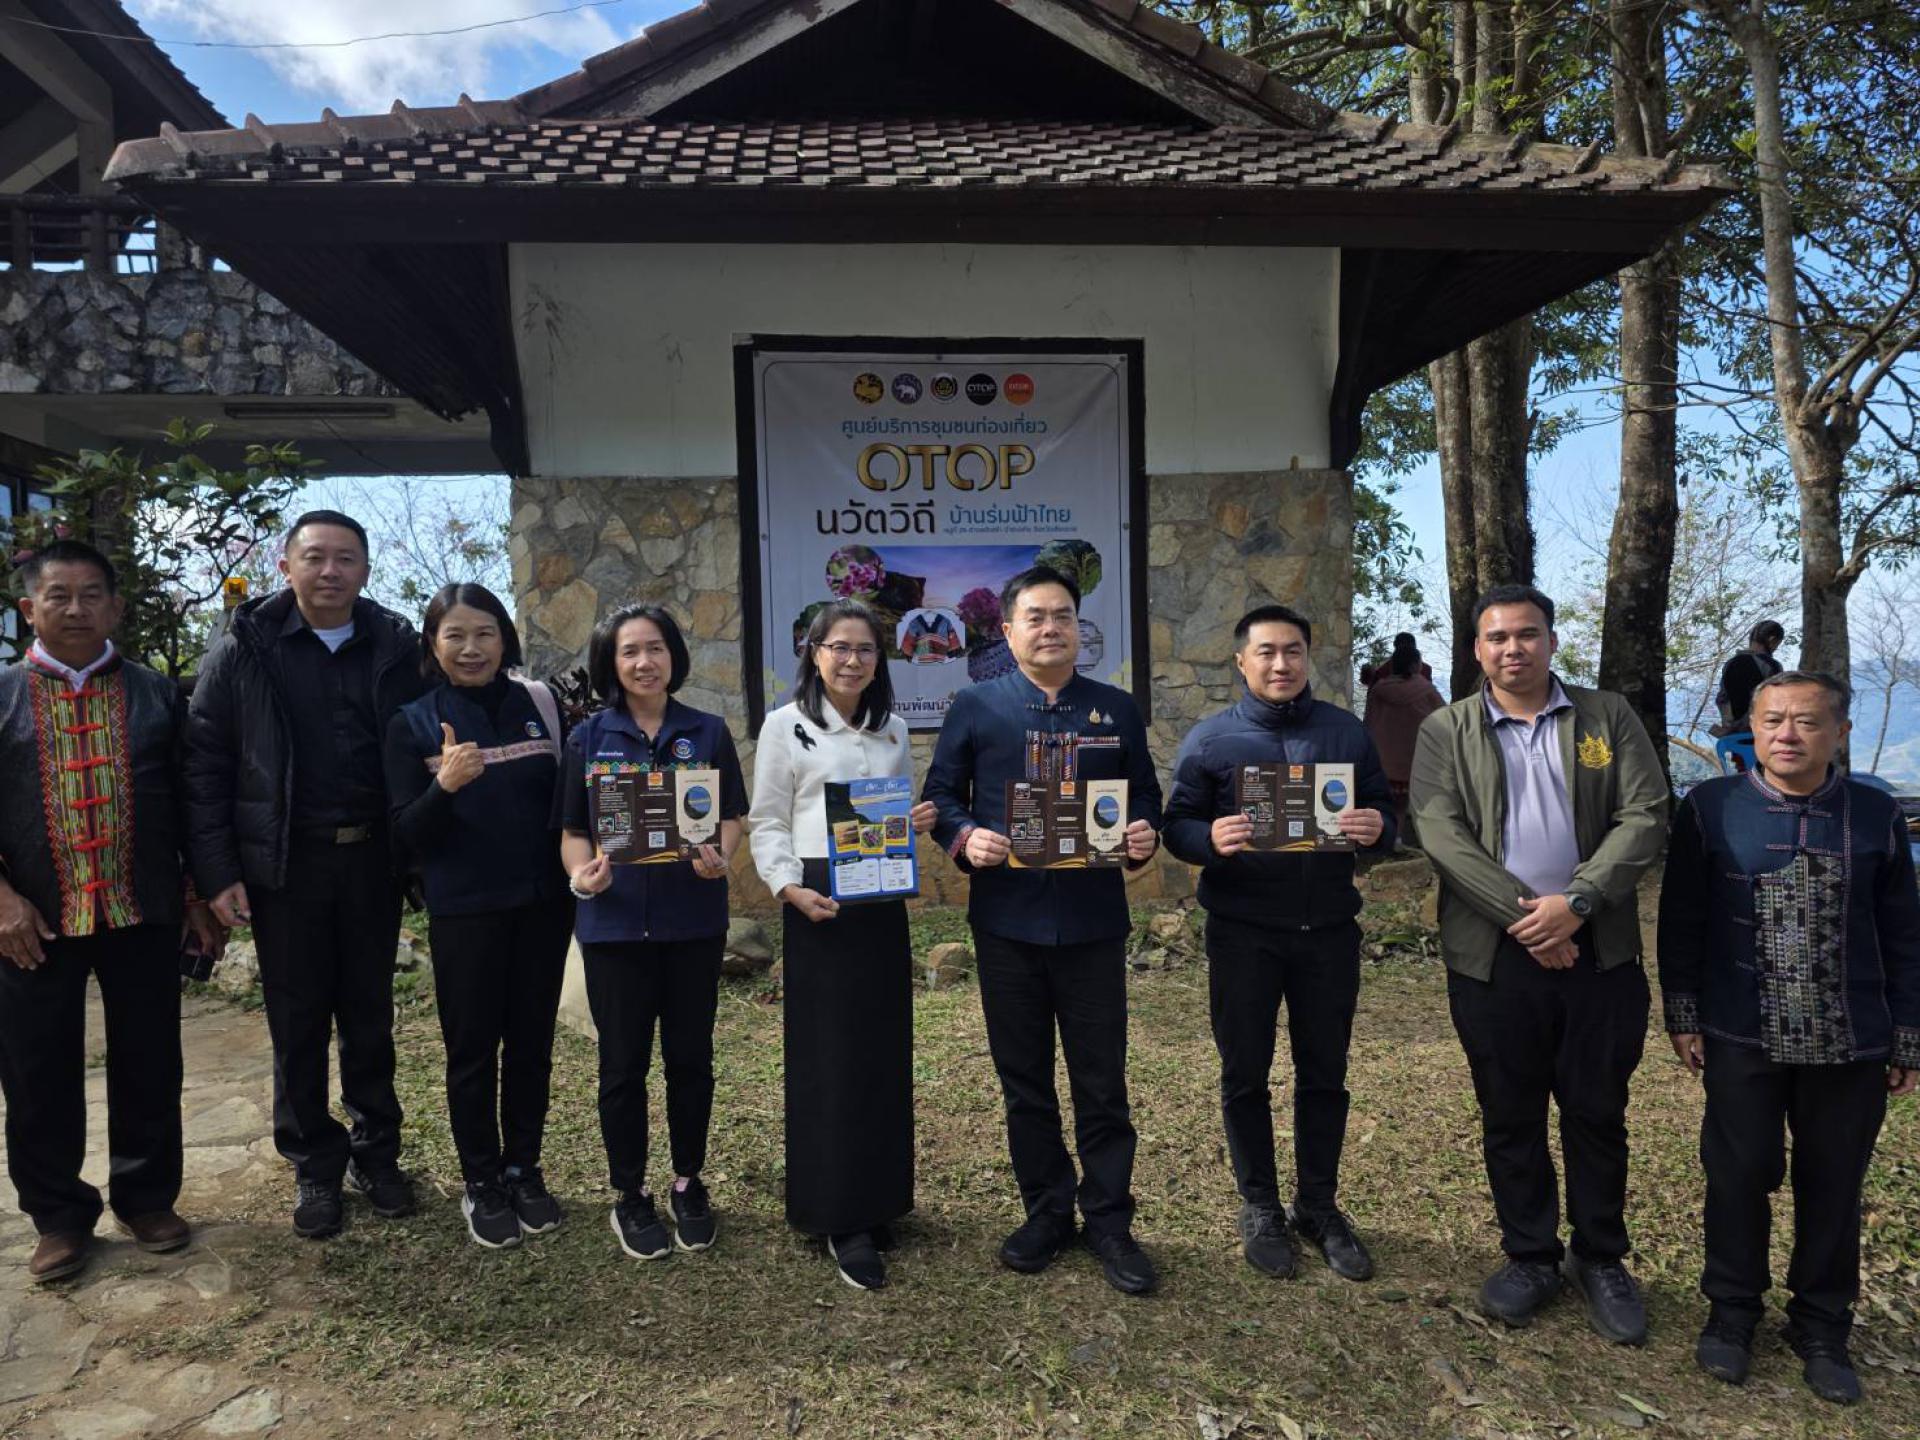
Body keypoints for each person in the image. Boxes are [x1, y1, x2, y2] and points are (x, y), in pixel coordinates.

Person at [1410, 583, 1666, 1342]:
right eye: (1497, 638)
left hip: (1599, 951)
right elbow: (1440, 833)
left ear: (1552, 641)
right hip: (1496, 956)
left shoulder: (1605, 716)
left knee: (1597, 1109)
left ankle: (1600, 1257)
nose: (1512, 648)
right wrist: (1531, 918)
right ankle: (1529, 1255)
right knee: (1510, 1111)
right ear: (1477, 650)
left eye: (1527, 634)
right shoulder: (1446, 730)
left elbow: (1646, 813)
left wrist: (1577, 903)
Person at [1659, 671, 1920, 1405]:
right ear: (1752, 728)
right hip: (1740, 1029)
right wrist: (1682, 1013)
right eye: (1773, 720)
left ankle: (1823, 1325)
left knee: (1833, 1182)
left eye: (1806, 721)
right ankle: (1732, 1311)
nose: (1787, 735)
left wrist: (1908, 1034)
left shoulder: (1876, 814)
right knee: (1737, 1172)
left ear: (1838, 732)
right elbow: (1682, 918)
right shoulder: (1710, 807)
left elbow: (1904, 932)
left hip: (1852, 1035)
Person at [184, 511, 428, 1239]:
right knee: (297, 1021)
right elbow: (205, 763)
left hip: (372, 859)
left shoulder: (395, 645)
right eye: (315, 557)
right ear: (285, 566)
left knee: (369, 1015)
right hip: (286, 865)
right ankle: (315, 1164)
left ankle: (376, 1154)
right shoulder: (245, 648)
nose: (330, 571)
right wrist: (218, 872)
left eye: (345, 558)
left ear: (365, 570)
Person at [924, 566, 1164, 1295]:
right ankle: (1047, 1212)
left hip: (1092, 924)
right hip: (1008, 923)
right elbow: (941, 796)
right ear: (1008, 630)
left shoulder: (1114, 709)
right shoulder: (976, 706)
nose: (1051, 627)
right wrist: (965, 836)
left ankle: (1110, 1220)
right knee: (1024, 1081)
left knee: (1102, 1081)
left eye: (1063, 615)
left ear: (1078, 627)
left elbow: (1144, 797)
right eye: (1035, 616)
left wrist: (1142, 835)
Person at [0, 541, 223, 1282]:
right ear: (28, 608)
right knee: (36, 1071)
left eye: (91, 594)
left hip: (143, 908)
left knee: (151, 1061)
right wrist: (1, 901)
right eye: (58, 596)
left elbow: (190, 801)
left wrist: (197, 896)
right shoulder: (2, 696)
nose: (75, 609)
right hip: (33, 921)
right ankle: (59, 1217)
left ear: (115, 607)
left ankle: (147, 1197)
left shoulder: (156, 694)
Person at [1163, 605, 1394, 1283]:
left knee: (1325, 1073)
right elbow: (1177, 823)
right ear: (1241, 661)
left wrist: (1377, 827)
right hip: (1244, 934)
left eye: (1292, 650)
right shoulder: (1211, 740)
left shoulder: (1345, 732)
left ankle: (1318, 1205)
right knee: (1245, 1073)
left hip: (1328, 934)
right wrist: (1209, 839)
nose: (1280, 664)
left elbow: (1387, 814)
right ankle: (1260, 1204)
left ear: (1307, 657)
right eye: (1265, 652)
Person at [749, 600, 939, 1290]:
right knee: (829, 1059)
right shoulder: (785, 726)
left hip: (879, 900)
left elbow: (887, 815)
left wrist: (912, 822)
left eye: (865, 649)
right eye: (839, 647)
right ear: (814, 652)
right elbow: (768, 821)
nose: (852, 660)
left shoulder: (893, 729)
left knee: (881, 1053)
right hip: (818, 900)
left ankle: (880, 1199)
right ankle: (838, 1213)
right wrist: (787, 887)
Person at [383, 584, 572, 1249]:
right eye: (455, 635)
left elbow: (570, 803)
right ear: (433, 645)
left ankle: (524, 1169)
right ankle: (481, 1181)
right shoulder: (412, 723)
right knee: (472, 1053)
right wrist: (445, 786)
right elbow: (401, 834)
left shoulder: (540, 707)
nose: (472, 648)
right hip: (465, 914)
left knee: (531, 1047)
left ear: (505, 639)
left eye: (485, 633)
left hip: (544, 909)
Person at [558, 604, 746, 1262]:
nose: (645, 662)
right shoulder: (588, 738)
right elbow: (574, 831)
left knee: (691, 1061)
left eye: (656, 648)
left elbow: (730, 815)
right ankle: (630, 1192)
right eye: (630, 651)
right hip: (613, 930)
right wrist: (582, 877)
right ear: (611, 663)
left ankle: (688, 1182)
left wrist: (721, 856)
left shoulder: (707, 731)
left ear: (674, 656)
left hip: (692, 925)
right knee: (622, 1067)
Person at [1362, 633, 1445, 845]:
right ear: (1416, 665)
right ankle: (1423, 841)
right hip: (1416, 758)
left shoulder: (1379, 688)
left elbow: (1369, 720)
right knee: (1417, 802)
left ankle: (1391, 839)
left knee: (1389, 804)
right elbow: (1444, 719)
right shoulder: (1426, 690)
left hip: (1385, 760)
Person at [1713, 621, 1786, 736]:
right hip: (1760, 732)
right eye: (1777, 644)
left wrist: (1730, 725)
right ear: (1771, 640)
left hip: (1732, 733)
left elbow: (1722, 698)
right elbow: (1776, 700)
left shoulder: (1730, 663)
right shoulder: (1772, 665)